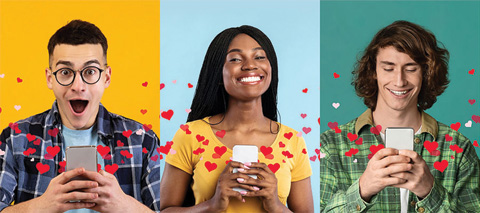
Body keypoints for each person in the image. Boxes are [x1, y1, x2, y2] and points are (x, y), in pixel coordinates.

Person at [0, 20, 160, 212]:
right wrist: (41, 206)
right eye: (65, 72)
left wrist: (125, 206)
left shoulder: (143, 140)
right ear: (50, 79)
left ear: (106, 77)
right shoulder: (14, 138)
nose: (78, 85)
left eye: (90, 71)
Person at [320, 20, 480, 212]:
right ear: (374, 72)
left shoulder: (458, 149)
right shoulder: (331, 145)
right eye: (388, 68)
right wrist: (362, 190)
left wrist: (430, 192)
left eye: (411, 69)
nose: (399, 81)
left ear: (426, 73)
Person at [160, 25, 314, 212]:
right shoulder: (189, 134)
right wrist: (212, 205)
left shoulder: (293, 141)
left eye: (259, 57)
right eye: (235, 59)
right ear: (218, 72)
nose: (250, 65)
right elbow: (165, 210)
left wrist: (275, 205)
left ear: (270, 68)